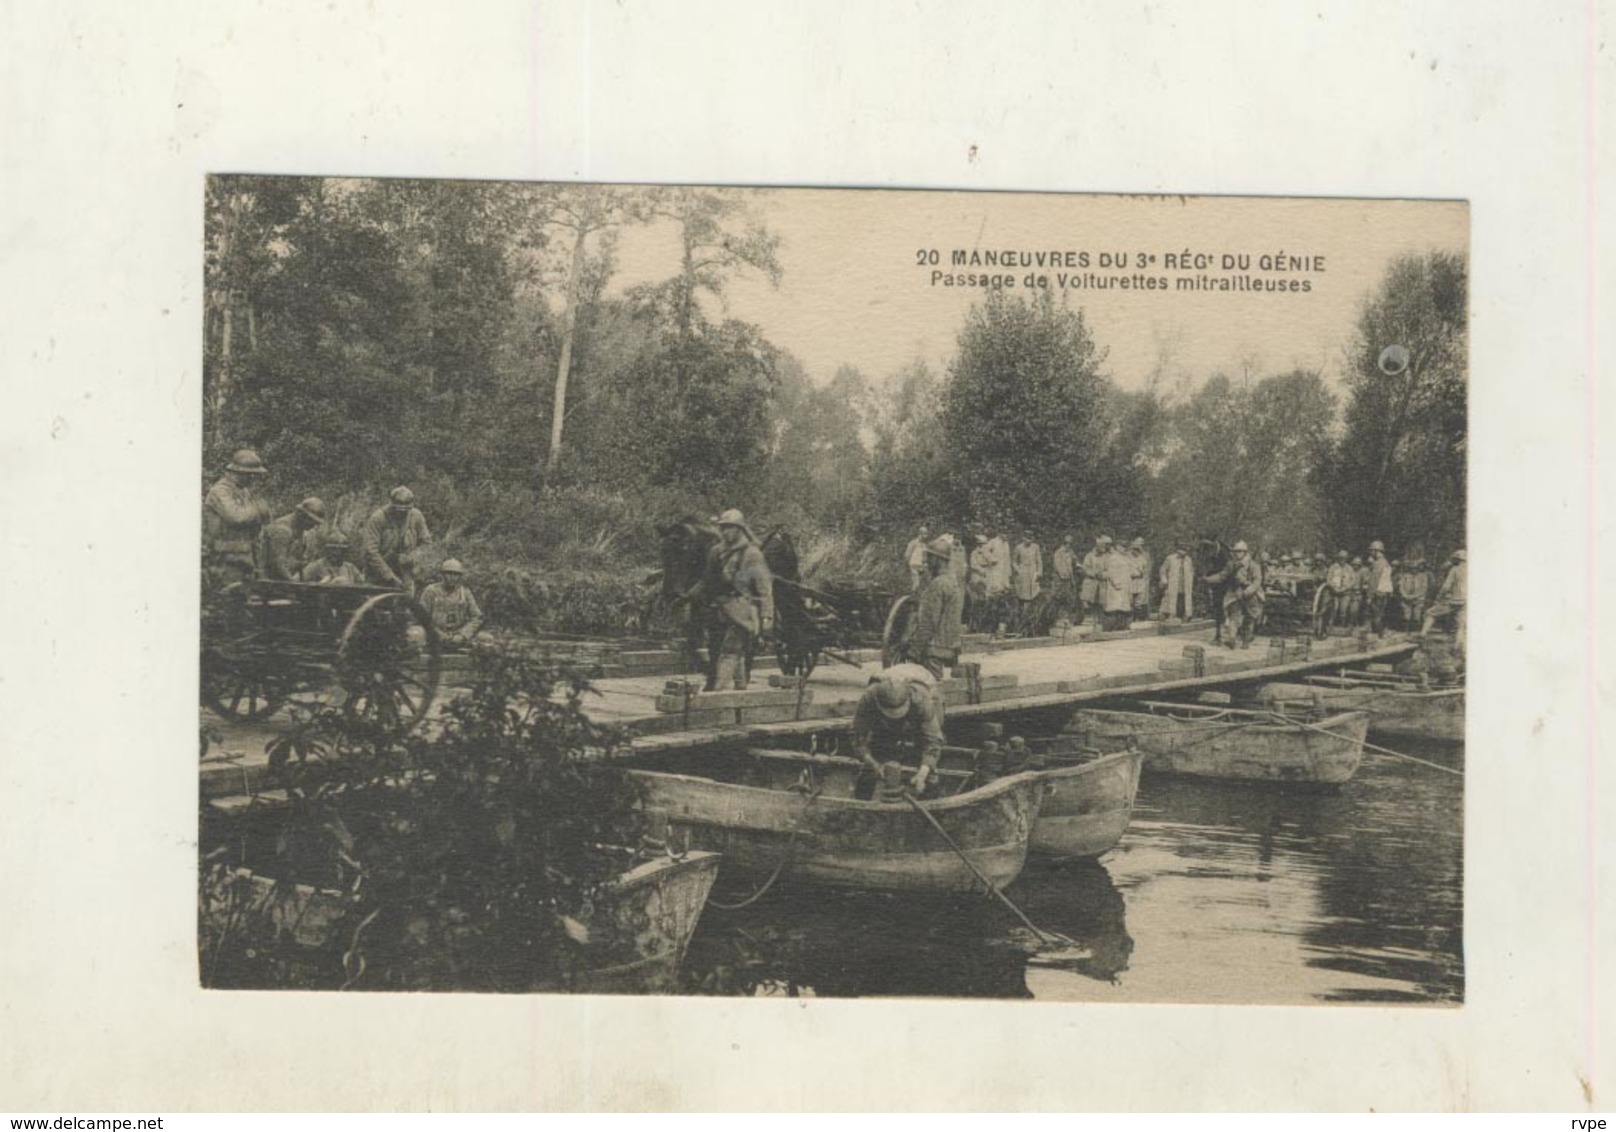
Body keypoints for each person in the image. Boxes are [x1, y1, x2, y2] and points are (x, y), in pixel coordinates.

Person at [685, 508, 774, 691]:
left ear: (740, 529)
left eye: (730, 528)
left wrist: (767, 616)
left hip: (743, 609)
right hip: (720, 609)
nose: (725, 532)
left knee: (729, 652)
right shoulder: (716, 552)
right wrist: (688, 596)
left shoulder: (752, 554)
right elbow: (706, 580)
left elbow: (765, 588)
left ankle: (716, 692)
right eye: (723, 528)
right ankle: (740, 688)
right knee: (728, 651)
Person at [850, 663, 945, 799]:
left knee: (926, 753)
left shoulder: (921, 699)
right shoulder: (869, 698)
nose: (895, 716)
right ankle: (860, 804)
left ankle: (932, 798)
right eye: (890, 713)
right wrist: (873, 764)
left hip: (925, 683)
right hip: (889, 687)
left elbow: (933, 741)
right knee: (878, 748)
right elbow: (857, 736)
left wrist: (923, 773)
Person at [202, 448, 272, 587]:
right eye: (249, 475)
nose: (253, 479)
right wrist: (259, 509)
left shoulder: (243, 491)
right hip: (224, 560)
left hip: (244, 558)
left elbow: (265, 518)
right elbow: (237, 517)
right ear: (236, 472)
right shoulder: (220, 491)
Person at [903, 537, 964, 679]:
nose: (927, 562)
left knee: (930, 690)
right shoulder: (953, 583)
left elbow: (928, 621)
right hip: (950, 646)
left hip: (934, 650)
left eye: (930, 558)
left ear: (939, 560)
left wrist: (915, 651)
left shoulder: (937, 585)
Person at [360, 486, 434, 595]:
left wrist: (412, 557)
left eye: (405, 511)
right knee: (375, 607)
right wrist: (389, 576)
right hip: (377, 575)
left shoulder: (416, 516)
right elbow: (370, 551)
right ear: (391, 505)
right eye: (398, 510)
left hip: (405, 575)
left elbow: (426, 544)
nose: (402, 514)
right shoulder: (378, 518)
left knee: (405, 607)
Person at [419, 558, 485, 646]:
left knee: (485, 638)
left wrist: (463, 635)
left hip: (459, 635)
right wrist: (438, 634)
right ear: (442, 575)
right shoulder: (431, 591)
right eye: (449, 574)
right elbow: (422, 617)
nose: (452, 577)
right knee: (416, 633)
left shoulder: (465, 592)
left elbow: (477, 617)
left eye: (456, 574)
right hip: (434, 635)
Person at [260, 496, 326, 581]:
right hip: (268, 580)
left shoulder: (300, 531)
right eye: (312, 521)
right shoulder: (282, 530)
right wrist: (294, 584)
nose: (313, 525)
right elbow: (277, 564)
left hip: (283, 578)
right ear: (301, 515)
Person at [1222, 540, 1264, 649]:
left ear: (1245, 552)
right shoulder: (1231, 564)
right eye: (1236, 551)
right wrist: (1207, 579)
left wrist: (1248, 591)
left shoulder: (1254, 565)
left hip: (1251, 594)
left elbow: (1257, 581)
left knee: (1250, 618)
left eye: (1240, 551)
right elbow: (1222, 575)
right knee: (1234, 616)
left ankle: (1246, 641)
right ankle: (1232, 639)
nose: (1237, 554)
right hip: (1235, 593)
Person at [1421, 549, 1467, 649]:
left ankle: (1422, 636)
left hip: (1452, 600)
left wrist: (1439, 597)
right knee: (1460, 625)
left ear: (1458, 559)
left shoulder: (1455, 569)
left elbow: (1446, 586)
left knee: (1430, 613)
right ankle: (1457, 647)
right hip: (1465, 602)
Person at [1101, 536, 1135, 630]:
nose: (1124, 548)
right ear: (1117, 547)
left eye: (1125, 546)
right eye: (1122, 546)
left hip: (1125, 585)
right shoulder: (1113, 557)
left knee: (1124, 607)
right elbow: (1111, 572)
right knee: (1115, 607)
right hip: (1116, 587)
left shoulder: (1125, 557)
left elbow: (1130, 569)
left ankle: (1123, 625)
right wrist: (1116, 583)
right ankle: (1111, 626)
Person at [1011, 531, 1043, 629]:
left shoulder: (1035, 547)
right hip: (1023, 572)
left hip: (1032, 571)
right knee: (1023, 596)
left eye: (1030, 538)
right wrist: (1018, 570)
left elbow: (1039, 561)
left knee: (1033, 595)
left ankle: (1031, 619)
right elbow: (1014, 561)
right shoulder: (1018, 548)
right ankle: (1021, 619)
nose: (1028, 541)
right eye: (1026, 538)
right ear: (1023, 538)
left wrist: (1039, 572)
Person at [1321, 550, 1355, 637]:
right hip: (1334, 592)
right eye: (1340, 558)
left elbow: (1352, 581)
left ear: (1347, 559)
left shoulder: (1350, 568)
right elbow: (1328, 579)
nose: (1342, 560)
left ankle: (1342, 626)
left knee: (1343, 610)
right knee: (1334, 609)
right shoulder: (1333, 567)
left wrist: (1345, 588)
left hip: (1345, 593)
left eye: (1344, 558)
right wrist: (1334, 587)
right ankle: (1331, 626)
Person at [1159, 541, 1195, 620]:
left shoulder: (1188, 560)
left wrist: (1191, 581)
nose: (1183, 552)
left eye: (1185, 550)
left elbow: (1191, 571)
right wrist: (1164, 579)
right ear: (1178, 550)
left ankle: (1185, 614)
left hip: (1185, 583)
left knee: (1184, 599)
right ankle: (1170, 614)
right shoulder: (1170, 558)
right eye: (1181, 549)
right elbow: (1163, 570)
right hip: (1173, 582)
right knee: (1171, 599)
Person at [1364, 540, 1394, 636]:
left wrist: (1369, 596)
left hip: (1378, 592)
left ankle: (1381, 633)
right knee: (1380, 613)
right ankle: (1378, 632)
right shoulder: (1385, 562)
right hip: (1384, 592)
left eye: (1372, 551)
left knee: (1376, 614)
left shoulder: (1378, 564)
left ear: (1376, 551)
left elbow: (1374, 581)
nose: (1371, 553)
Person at [1398, 551, 1432, 629]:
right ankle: (1406, 628)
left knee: (1417, 613)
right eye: (1412, 568)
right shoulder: (1405, 576)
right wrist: (1405, 595)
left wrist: (1415, 596)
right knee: (1406, 614)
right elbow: (1401, 586)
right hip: (1406, 597)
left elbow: (1424, 588)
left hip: (1418, 598)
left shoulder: (1423, 576)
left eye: (1415, 568)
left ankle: (1416, 628)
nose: (1414, 570)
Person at [1080, 535, 1109, 628]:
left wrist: (1103, 575)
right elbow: (1085, 568)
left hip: (1101, 582)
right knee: (1089, 601)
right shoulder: (1089, 556)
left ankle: (1099, 619)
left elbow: (1108, 569)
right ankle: (1089, 618)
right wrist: (1093, 573)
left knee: (1100, 601)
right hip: (1091, 581)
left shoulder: (1106, 557)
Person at [1050, 535, 1077, 621]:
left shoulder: (1070, 552)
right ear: (1064, 543)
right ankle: (1056, 616)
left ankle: (1066, 616)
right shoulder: (1058, 553)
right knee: (1057, 597)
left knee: (1068, 597)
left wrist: (1076, 562)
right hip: (1060, 579)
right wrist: (1063, 575)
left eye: (1070, 544)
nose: (1068, 546)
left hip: (1068, 578)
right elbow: (1057, 566)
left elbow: (1074, 562)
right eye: (1067, 544)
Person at [1128, 537, 1152, 618]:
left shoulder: (1143, 557)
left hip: (1140, 581)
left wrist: (1143, 573)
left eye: (1138, 549)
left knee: (1140, 600)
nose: (1136, 551)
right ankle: (1130, 616)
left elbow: (1146, 568)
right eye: (1135, 549)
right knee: (1130, 599)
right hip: (1130, 580)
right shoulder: (1128, 557)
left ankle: (1139, 616)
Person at [903, 524, 931, 592]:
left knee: (923, 583)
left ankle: (917, 594)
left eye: (926, 534)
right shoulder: (913, 543)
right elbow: (907, 554)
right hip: (913, 565)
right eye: (924, 534)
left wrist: (925, 564)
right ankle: (912, 594)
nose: (926, 536)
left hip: (921, 566)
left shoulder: (924, 545)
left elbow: (925, 557)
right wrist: (906, 563)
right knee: (916, 583)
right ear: (920, 534)